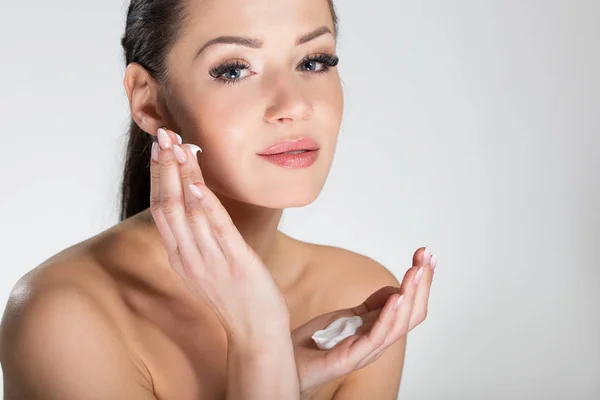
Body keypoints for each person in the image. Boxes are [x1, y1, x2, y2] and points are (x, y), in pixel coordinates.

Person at [0, 0, 438, 398]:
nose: (294, 104)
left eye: (314, 61)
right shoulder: (64, 318)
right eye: (233, 69)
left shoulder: (356, 299)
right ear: (148, 101)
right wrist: (260, 344)